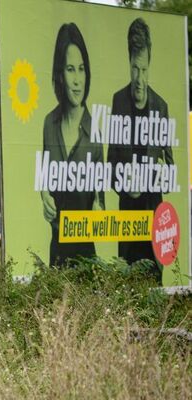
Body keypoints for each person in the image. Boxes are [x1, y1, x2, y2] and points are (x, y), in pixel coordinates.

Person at [107, 18, 169, 274]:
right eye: (135, 69)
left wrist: (162, 171)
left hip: (155, 218)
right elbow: (109, 164)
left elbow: (170, 163)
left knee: (155, 285)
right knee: (127, 286)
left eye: (144, 70)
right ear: (129, 62)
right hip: (128, 221)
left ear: (150, 65)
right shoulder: (118, 101)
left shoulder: (161, 106)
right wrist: (123, 181)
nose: (139, 78)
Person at [42, 23, 102, 267]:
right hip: (56, 250)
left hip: (86, 253)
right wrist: (43, 195)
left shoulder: (95, 128)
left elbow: (100, 195)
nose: (77, 80)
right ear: (60, 74)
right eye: (70, 69)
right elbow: (45, 177)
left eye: (81, 69)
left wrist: (99, 208)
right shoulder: (49, 123)